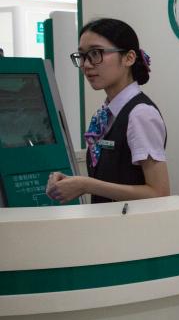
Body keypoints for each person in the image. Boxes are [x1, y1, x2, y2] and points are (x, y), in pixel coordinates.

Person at [46, 18, 169, 203]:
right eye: (82, 56)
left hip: (132, 221)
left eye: (96, 53)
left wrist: (86, 185)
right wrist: (72, 183)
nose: (86, 65)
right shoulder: (105, 113)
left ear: (129, 58)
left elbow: (159, 194)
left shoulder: (140, 114)